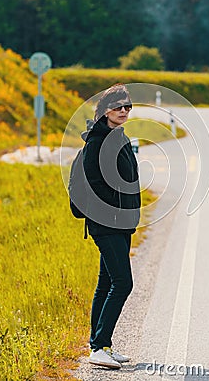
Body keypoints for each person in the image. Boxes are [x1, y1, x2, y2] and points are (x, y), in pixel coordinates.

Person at [82, 84, 141, 369]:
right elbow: (94, 183)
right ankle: (99, 346)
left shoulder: (118, 136)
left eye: (128, 106)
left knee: (106, 282)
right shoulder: (97, 140)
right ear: (106, 109)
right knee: (123, 282)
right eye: (118, 106)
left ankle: (100, 345)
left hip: (120, 222)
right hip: (106, 223)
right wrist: (113, 212)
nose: (124, 111)